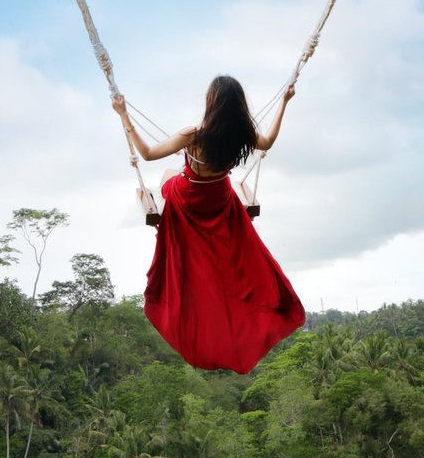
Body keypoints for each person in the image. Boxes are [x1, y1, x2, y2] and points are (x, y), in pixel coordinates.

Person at [112, 77, 304, 374]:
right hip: (220, 200)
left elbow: (148, 153)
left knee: (167, 175)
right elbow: (269, 141)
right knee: (182, 174)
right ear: (238, 108)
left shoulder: (194, 136)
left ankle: (183, 172)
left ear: (211, 104)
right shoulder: (242, 135)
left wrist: (123, 115)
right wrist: (284, 102)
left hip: (189, 201)